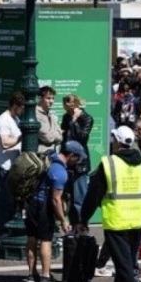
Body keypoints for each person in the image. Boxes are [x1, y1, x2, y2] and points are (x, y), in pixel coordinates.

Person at [78, 126, 141, 282]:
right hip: (137, 220)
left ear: (117, 141)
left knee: (125, 269)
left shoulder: (109, 164)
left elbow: (93, 195)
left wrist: (83, 219)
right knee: (124, 266)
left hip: (117, 221)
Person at [25, 141, 85, 282]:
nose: (77, 161)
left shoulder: (49, 157)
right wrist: (63, 220)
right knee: (46, 240)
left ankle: (32, 275)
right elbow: (56, 199)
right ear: (71, 155)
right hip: (44, 207)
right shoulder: (60, 172)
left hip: (31, 203)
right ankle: (46, 276)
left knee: (32, 239)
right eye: (77, 158)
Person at [0, 92, 23, 240]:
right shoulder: (3, 121)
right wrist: (20, 138)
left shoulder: (15, 119)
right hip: (4, 166)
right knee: (5, 202)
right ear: (15, 106)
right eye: (21, 108)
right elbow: (4, 143)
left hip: (14, 166)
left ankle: (10, 231)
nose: (23, 112)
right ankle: (3, 233)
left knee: (13, 202)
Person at [61, 94, 93, 226]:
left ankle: (81, 225)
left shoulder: (86, 118)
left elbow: (82, 137)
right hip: (66, 159)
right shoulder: (66, 117)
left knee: (79, 198)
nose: (67, 109)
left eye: (69, 105)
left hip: (80, 162)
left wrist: (74, 122)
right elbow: (64, 134)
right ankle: (73, 225)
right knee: (67, 196)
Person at [36, 86, 62, 153]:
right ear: (40, 98)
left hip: (52, 153)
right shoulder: (36, 114)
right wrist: (56, 133)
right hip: (40, 155)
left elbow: (60, 137)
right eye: (48, 98)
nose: (51, 101)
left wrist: (56, 134)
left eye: (53, 98)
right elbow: (47, 137)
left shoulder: (52, 115)